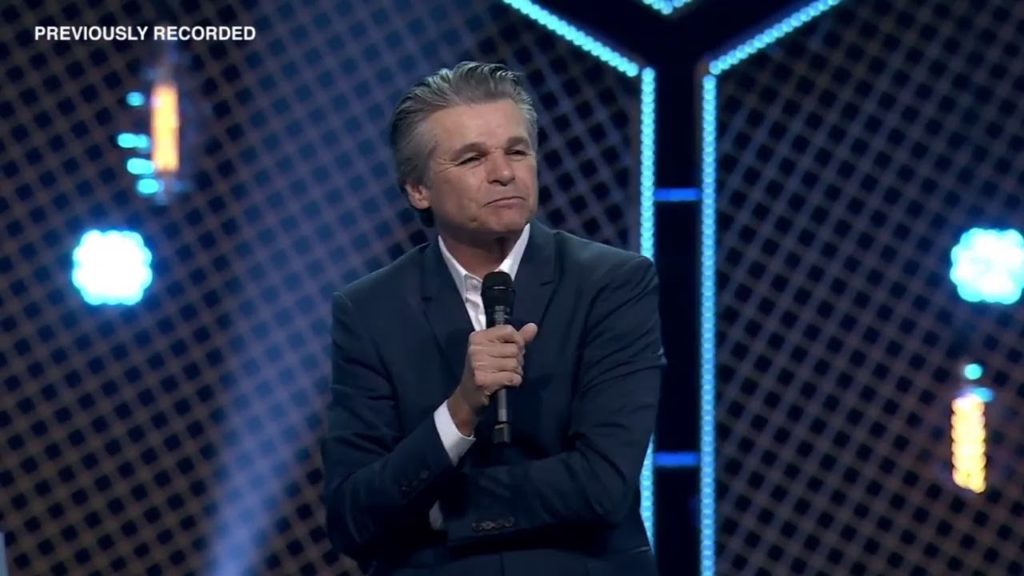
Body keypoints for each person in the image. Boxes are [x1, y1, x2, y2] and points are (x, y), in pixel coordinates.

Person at [322, 61, 664, 576]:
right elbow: (352, 516)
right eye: (472, 158)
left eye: (517, 151)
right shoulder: (370, 310)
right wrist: (460, 410)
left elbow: (603, 484)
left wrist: (439, 510)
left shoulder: (611, 283)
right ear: (418, 189)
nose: (504, 172)